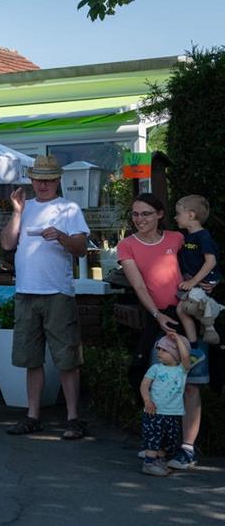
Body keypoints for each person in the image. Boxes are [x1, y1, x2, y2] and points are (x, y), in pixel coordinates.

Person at [0, 155, 90, 440]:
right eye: (38, 179)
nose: (42, 184)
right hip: (26, 291)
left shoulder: (69, 208)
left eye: (48, 180)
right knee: (31, 359)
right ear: (31, 180)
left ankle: (73, 417)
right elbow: (7, 243)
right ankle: (32, 415)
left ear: (57, 180)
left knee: (67, 359)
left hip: (57, 292)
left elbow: (82, 248)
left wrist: (62, 236)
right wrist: (17, 212)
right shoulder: (25, 207)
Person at [118, 193, 208, 469]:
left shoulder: (177, 238)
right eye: (135, 214)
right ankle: (159, 446)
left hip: (187, 316)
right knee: (160, 386)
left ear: (159, 214)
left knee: (191, 384)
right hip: (158, 320)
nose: (140, 219)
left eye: (146, 213)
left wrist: (208, 282)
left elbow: (199, 264)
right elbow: (139, 285)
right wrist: (157, 316)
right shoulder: (127, 245)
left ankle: (187, 449)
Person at [139, 333, 191, 476]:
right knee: (153, 439)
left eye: (164, 350)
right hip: (155, 412)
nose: (159, 352)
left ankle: (159, 462)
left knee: (168, 441)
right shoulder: (155, 368)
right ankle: (148, 464)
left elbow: (186, 357)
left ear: (176, 354)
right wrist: (147, 400)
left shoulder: (182, 370)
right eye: (159, 349)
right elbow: (144, 385)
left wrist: (178, 340)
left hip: (173, 413)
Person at [174, 194, 220, 345]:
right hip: (194, 282)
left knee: (183, 309)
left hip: (202, 282)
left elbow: (211, 261)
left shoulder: (203, 237)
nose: (175, 217)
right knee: (184, 309)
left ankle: (195, 344)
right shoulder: (186, 236)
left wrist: (193, 282)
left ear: (191, 215)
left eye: (178, 213)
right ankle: (197, 339)